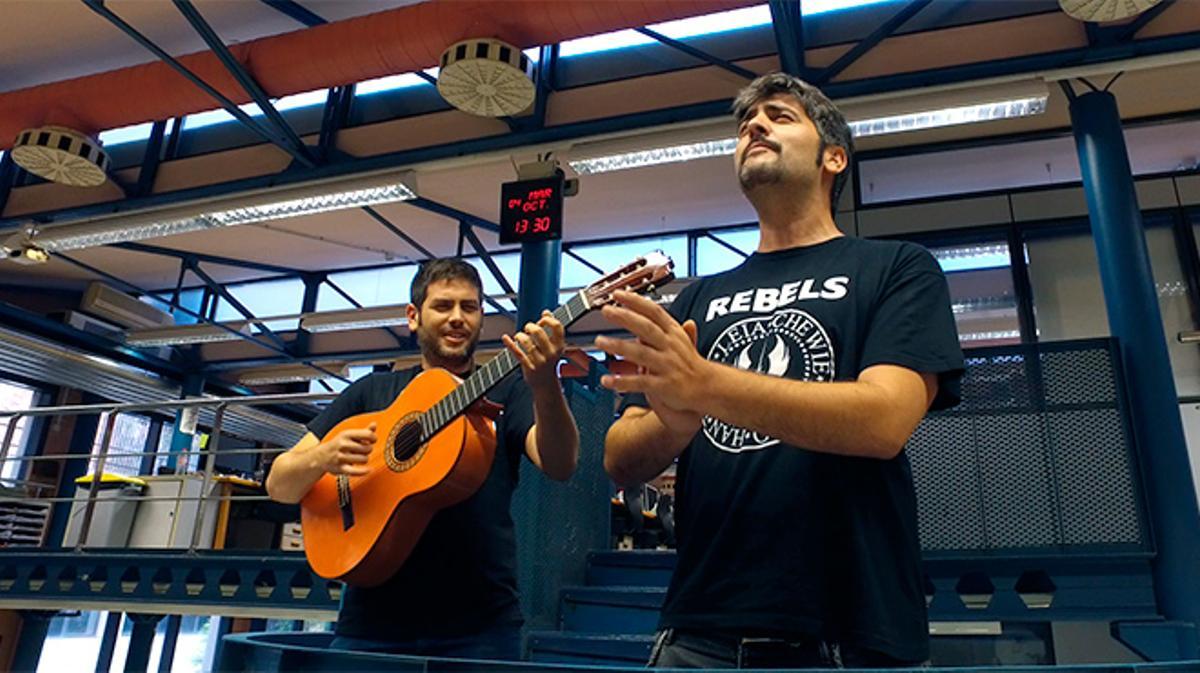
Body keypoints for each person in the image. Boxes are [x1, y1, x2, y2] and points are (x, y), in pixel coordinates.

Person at [597, 72, 965, 669]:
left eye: (780, 116)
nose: (754, 127)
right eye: (746, 124)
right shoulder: (696, 301)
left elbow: (884, 420)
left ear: (834, 157)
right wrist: (674, 423)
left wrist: (708, 385)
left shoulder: (897, 269)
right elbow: (620, 458)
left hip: (851, 638)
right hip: (696, 636)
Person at [265, 258, 580, 660]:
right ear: (413, 317)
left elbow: (561, 462)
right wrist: (321, 458)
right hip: (370, 626)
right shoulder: (371, 393)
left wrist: (546, 383)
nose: (457, 318)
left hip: (480, 628)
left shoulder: (509, 392)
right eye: (443, 306)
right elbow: (279, 484)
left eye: (469, 307)